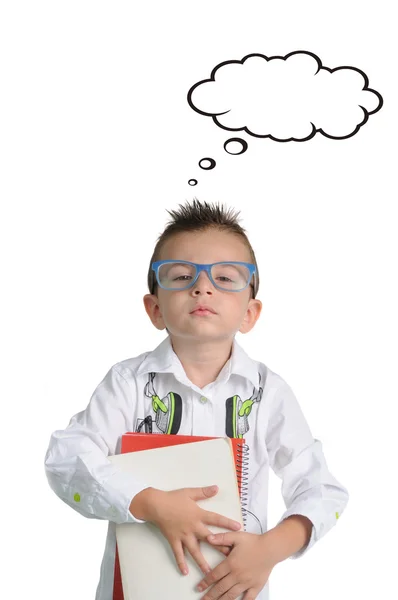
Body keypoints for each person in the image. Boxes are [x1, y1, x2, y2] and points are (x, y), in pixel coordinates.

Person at [44, 198, 349, 600]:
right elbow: (66, 459)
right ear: (155, 308)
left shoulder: (268, 392)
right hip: (135, 589)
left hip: (232, 588)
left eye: (225, 277)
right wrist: (150, 503)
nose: (202, 286)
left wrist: (269, 551)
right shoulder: (127, 383)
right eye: (182, 275)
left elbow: (322, 490)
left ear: (250, 313)